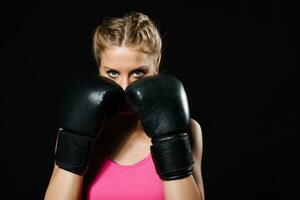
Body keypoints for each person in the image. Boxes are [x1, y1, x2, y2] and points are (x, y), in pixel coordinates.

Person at [44, 11, 205, 200]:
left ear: (156, 67)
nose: (125, 87)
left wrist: (170, 141)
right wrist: (77, 140)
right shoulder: (78, 130)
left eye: (138, 73)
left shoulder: (188, 130)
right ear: (99, 70)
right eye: (112, 73)